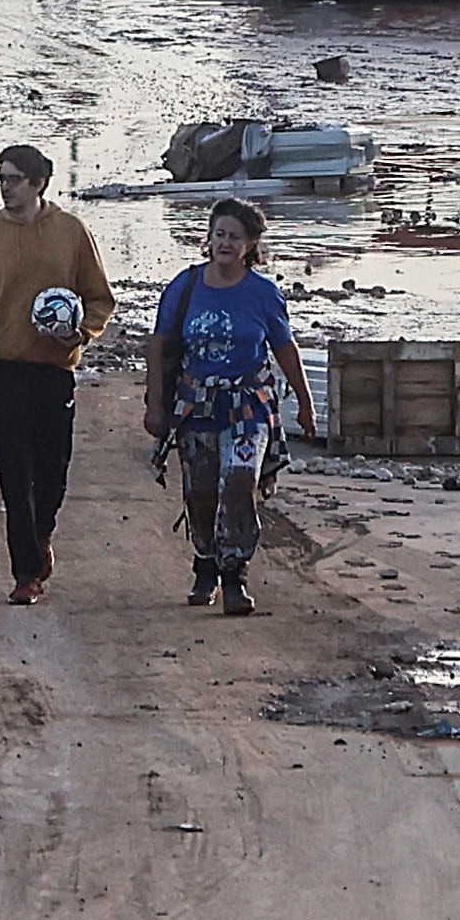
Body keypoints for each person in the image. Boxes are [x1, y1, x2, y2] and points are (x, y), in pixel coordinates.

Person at [0, 143, 114, 605]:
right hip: (5, 370)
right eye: (0, 178)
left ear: (38, 183)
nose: (4, 186)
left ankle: (42, 536)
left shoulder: (71, 232)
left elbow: (99, 298)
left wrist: (81, 333)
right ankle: (26, 574)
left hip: (54, 370)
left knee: (53, 470)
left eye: (13, 179)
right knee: (14, 472)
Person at [139, 196, 314, 614]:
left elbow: (285, 350)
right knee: (200, 492)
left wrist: (305, 404)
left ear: (251, 244)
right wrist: (155, 407)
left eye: (235, 237)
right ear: (209, 238)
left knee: (238, 482)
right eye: (219, 234)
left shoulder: (264, 294)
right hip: (195, 406)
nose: (225, 243)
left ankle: (235, 575)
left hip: (248, 407)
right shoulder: (185, 286)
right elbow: (159, 345)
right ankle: (205, 565)